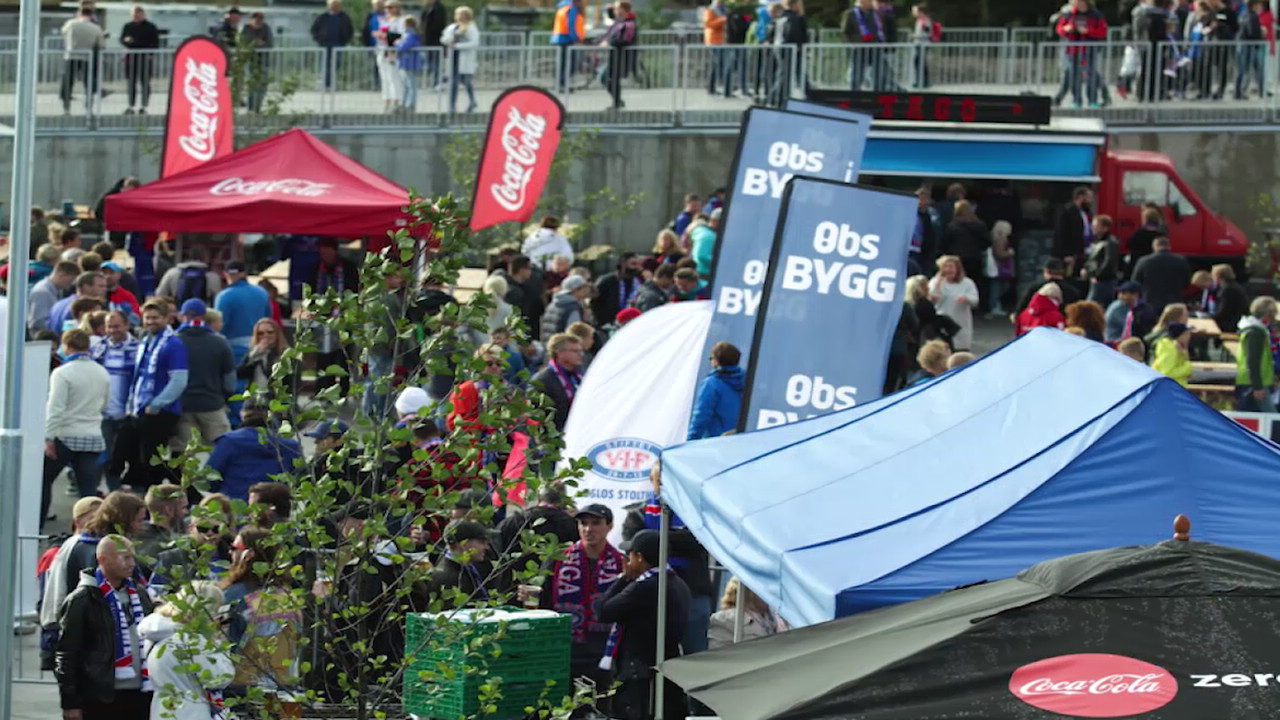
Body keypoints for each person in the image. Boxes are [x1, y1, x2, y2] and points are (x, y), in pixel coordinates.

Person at [56, 534, 155, 720]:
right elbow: (67, 654)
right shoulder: (83, 599)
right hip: (100, 696)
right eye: (124, 557)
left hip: (141, 692)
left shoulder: (139, 593)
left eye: (132, 557)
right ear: (103, 559)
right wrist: (70, 703)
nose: (132, 563)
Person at [596, 528, 691, 720]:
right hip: (667, 668)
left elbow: (603, 610)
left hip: (640, 674)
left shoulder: (645, 587)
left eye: (629, 555)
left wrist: (623, 579)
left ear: (639, 557)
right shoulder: (678, 583)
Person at [138, 581, 234, 720]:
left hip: (163, 708)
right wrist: (220, 645)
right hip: (193, 711)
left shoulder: (156, 634)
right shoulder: (193, 641)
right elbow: (220, 678)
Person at [42, 329, 110, 521]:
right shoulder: (102, 372)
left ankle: (38, 523)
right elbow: (105, 404)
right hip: (93, 436)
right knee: (88, 490)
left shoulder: (62, 373)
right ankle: (92, 528)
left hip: (65, 435)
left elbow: (55, 408)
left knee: (45, 480)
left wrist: (48, 437)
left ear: (66, 346)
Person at [122, 302, 189, 490]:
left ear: (166, 318)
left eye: (155, 318)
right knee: (139, 456)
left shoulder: (174, 343)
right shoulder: (146, 340)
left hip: (161, 411)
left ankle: (182, 493)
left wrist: (157, 404)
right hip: (140, 408)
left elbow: (179, 380)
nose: (151, 322)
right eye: (147, 318)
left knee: (150, 458)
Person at [206, 400, 302, 501]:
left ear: (243, 415)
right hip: (276, 507)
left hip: (236, 506)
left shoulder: (229, 441)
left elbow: (210, 480)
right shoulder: (290, 445)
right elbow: (299, 480)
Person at [174, 299, 235, 448]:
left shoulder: (173, 341)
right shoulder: (220, 342)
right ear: (203, 316)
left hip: (182, 405)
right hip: (212, 404)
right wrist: (226, 396)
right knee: (224, 447)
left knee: (184, 453)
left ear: (182, 316)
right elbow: (229, 378)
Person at [415, 519, 505, 609]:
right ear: (463, 544)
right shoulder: (448, 579)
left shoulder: (464, 569)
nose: (486, 547)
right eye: (481, 542)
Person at [214, 260, 270, 368]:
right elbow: (268, 319)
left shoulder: (224, 296)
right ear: (244, 273)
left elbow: (220, 325)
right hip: (260, 346)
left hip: (234, 349)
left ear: (224, 274)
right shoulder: (262, 293)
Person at [708, 577, 788, 650]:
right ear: (749, 593)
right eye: (765, 590)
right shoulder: (724, 620)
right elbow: (718, 654)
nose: (770, 596)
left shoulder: (775, 619)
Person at [1054, 0, 1108, 108]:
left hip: (1090, 49)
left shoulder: (1096, 15)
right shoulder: (1068, 14)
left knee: (1091, 75)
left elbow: (1103, 31)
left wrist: (1088, 31)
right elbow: (1059, 29)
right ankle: (1076, 100)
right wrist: (1066, 29)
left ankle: (1093, 100)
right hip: (1073, 49)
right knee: (1073, 75)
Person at [688, 341, 745, 440]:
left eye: (711, 358)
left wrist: (690, 442)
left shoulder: (711, 384)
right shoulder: (748, 380)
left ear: (716, 361)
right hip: (741, 440)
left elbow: (701, 416)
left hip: (717, 442)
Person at [531, 333, 585, 430]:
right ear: (559, 353)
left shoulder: (580, 376)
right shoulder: (542, 380)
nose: (580, 354)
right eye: (575, 351)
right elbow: (536, 415)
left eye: (581, 351)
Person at [941, 200, 990, 304]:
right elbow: (987, 242)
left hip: (956, 258)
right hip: (974, 257)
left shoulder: (952, 226)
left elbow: (944, 243)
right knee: (974, 282)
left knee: (956, 281)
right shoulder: (980, 225)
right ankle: (974, 303)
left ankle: (954, 301)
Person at [60, 4, 104, 116]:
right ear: (91, 14)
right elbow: (100, 44)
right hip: (87, 58)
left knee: (68, 83)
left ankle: (66, 108)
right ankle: (88, 109)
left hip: (71, 56)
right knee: (88, 84)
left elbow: (63, 32)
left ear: (80, 13)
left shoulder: (71, 24)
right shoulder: (96, 28)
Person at [928, 256, 979, 352]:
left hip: (961, 323)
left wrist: (966, 298)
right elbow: (929, 299)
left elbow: (975, 301)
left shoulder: (967, 283)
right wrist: (937, 286)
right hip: (942, 323)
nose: (948, 270)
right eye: (945, 267)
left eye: (951, 267)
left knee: (960, 351)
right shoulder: (935, 282)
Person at [1236, 296, 1277, 412]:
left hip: (1255, 381)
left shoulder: (1254, 329)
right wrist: (1257, 386)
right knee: (1272, 421)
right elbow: (1253, 360)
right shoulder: (1255, 333)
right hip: (1255, 383)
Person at [1132, 237, 1193, 315]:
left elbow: (1135, 282)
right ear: (1169, 246)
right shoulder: (1181, 261)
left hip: (1150, 302)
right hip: (1174, 302)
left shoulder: (1143, 261)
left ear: (1154, 246)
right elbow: (1187, 282)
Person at [134, 484, 186, 567]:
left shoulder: (135, 536)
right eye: (183, 508)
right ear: (169, 510)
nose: (185, 512)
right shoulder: (164, 548)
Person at [120, 6, 159, 115]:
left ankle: (144, 106)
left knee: (145, 83)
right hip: (131, 59)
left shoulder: (151, 27)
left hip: (145, 59)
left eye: (138, 14)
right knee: (131, 83)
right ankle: (130, 106)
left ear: (143, 14)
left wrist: (147, 51)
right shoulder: (128, 26)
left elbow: (155, 43)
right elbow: (122, 39)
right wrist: (126, 41)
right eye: (134, 15)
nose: (136, 16)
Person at [844, 0, 889, 91]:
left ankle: (878, 92)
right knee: (857, 73)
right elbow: (846, 31)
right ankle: (855, 92)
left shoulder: (875, 14)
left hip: (875, 47)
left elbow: (881, 28)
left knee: (879, 72)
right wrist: (852, 42)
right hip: (859, 48)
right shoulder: (851, 14)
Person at [441, 6, 479, 113]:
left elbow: (474, 43)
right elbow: (443, 38)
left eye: (460, 14)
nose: (457, 16)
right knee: (453, 83)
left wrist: (458, 46)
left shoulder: (471, 28)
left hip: (465, 58)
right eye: (456, 14)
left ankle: (472, 101)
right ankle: (452, 105)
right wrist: (449, 40)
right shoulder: (452, 27)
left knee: (466, 81)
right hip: (453, 58)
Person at [27, 260, 78, 338]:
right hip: (43, 341)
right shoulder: (42, 292)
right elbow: (38, 322)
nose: (70, 284)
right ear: (62, 275)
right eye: (70, 280)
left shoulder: (58, 290)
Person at [602, 0, 638, 108]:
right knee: (606, 79)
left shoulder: (629, 24)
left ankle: (617, 102)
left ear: (624, 10)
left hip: (622, 58)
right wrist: (609, 9)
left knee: (611, 79)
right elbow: (612, 18)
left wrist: (610, 42)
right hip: (615, 57)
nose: (615, 10)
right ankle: (617, 101)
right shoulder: (620, 21)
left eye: (617, 8)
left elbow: (626, 40)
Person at [312, 0, 355, 90]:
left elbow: (350, 30)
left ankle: (331, 83)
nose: (335, 6)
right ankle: (327, 84)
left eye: (337, 5)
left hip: (338, 44)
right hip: (325, 45)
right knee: (325, 65)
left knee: (336, 64)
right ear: (329, 6)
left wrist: (346, 40)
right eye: (333, 4)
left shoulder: (344, 17)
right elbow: (314, 29)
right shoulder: (323, 17)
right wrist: (318, 39)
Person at [1052, 186, 1095, 275]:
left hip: (1083, 251)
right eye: (1089, 198)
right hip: (1070, 253)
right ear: (1081, 197)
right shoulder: (1068, 211)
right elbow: (1062, 233)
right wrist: (1066, 254)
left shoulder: (1085, 212)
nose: (1091, 201)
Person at [1016, 258, 1082, 315]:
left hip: (1039, 327)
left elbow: (1020, 311)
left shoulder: (1036, 289)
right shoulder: (1073, 291)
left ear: (1046, 271)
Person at [237, 318, 287, 393]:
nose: (266, 335)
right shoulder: (254, 352)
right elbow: (239, 374)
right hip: (254, 399)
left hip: (276, 399)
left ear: (277, 334)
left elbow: (276, 378)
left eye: (270, 332)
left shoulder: (285, 353)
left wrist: (267, 356)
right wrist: (254, 355)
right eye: (261, 333)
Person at [48, 271, 106, 335]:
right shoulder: (80, 307)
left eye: (105, 286)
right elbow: (71, 334)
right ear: (86, 287)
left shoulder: (58, 304)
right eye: (101, 286)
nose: (105, 289)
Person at [374, 0, 407, 113]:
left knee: (394, 78)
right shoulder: (384, 20)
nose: (388, 10)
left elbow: (402, 35)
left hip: (393, 51)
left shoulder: (402, 21)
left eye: (390, 7)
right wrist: (380, 35)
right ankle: (387, 100)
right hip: (383, 50)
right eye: (386, 7)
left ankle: (396, 101)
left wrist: (387, 36)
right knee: (385, 77)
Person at [594, 254, 645, 325]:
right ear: (623, 264)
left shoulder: (638, 282)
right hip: (607, 323)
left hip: (629, 322)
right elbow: (594, 301)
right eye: (633, 264)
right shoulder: (607, 281)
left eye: (638, 265)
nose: (636, 267)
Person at [541, 275, 591, 342]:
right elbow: (574, 334)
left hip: (551, 345)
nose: (586, 291)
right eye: (584, 288)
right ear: (576, 290)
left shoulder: (552, 304)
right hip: (564, 348)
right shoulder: (572, 308)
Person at [1082, 214, 1120, 305]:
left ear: (1105, 228)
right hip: (1098, 279)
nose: (1093, 228)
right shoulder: (1098, 241)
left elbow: (1108, 262)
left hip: (1105, 281)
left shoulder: (1110, 243)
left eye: (1096, 226)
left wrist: (1097, 275)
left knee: (1090, 305)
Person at [552, 0, 586, 93]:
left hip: (558, 38)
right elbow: (571, 25)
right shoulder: (571, 8)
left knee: (562, 64)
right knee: (569, 64)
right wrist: (575, 38)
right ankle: (563, 85)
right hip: (566, 39)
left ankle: (560, 85)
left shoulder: (562, 8)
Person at [1206, 263, 1248, 333]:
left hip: (1230, 325)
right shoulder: (1234, 286)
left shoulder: (1227, 289)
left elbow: (1224, 311)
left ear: (1218, 276)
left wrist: (1209, 317)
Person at [1151, 322, 1193, 386]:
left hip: (1175, 387)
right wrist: (1188, 368)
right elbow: (1167, 373)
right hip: (1170, 388)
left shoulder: (1179, 347)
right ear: (1178, 336)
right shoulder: (1170, 350)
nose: (1189, 337)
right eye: (1186, 334)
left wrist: (1183, 354)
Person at [396, 16, 424, 111]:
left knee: (411, 84)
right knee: (406, 84)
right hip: (406, 61)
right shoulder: (408, 34)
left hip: (410, 62)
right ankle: (405, 102)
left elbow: (405, 46)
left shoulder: (411, 34)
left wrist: (397, 44)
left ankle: (411, 104)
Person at [418, 0, 447, 89]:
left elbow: (439, 24)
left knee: (436, 62)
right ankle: (430, 82)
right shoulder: (426, 8)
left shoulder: (439, 8)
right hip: (427, 41)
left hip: (435, 40)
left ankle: (437, 82)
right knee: (429, 62)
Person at [690, 208, 720, 278]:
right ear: (714, 221)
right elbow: (702, 256)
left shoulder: (703, 232)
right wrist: (722, 261)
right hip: (705, 274)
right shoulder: (709, 236)